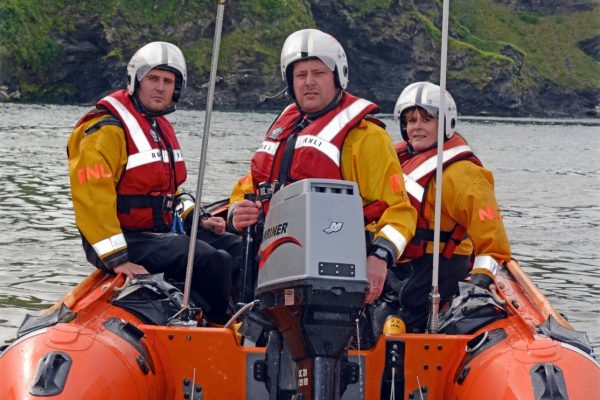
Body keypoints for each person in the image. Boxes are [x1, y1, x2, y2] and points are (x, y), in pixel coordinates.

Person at [228, 29, 417, 304]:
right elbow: (250, 185)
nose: (309, 83)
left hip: (333, 258)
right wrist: (236, 210)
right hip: (273, 251)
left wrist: (380, 256)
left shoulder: (365, 136)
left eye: (318, 73)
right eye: (301, 75)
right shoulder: (286, 127)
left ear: (337, 76)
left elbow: (400, 212)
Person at [67, 41, 240, 324]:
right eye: (153, 79)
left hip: (157, 231)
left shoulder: (157, 126)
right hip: (126, 239)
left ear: (177, 88)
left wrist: (197, 216)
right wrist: (118, 260)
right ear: (136, 81)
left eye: (168, 81)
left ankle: (248, 313)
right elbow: (92, 199)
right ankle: (221, 323)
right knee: (211, 259)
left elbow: (169, 194)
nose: (160, 87)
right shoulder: (106, 129)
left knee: (234, 246)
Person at [373, 81, 512, 333]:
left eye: (426, 119)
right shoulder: (399, 160)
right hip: (398, 268)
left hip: (437, 272)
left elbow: (493, 244)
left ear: (445, 122)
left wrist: (479, 282)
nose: (417, 127)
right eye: (411, 120)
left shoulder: (464, 176)